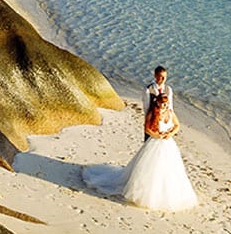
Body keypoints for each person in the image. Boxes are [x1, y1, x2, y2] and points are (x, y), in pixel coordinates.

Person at [83, 65, 198, 211]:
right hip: (153, 122)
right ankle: (143, 186)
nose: (162, 79)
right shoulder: (148, 89)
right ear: (155, 76)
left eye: (164, 76)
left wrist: (167, 124)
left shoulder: (168, 90)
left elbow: (171, 108)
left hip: (165, 123)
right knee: (148, 158)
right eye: (160, 76)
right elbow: (146, 107)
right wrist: (154, 125)